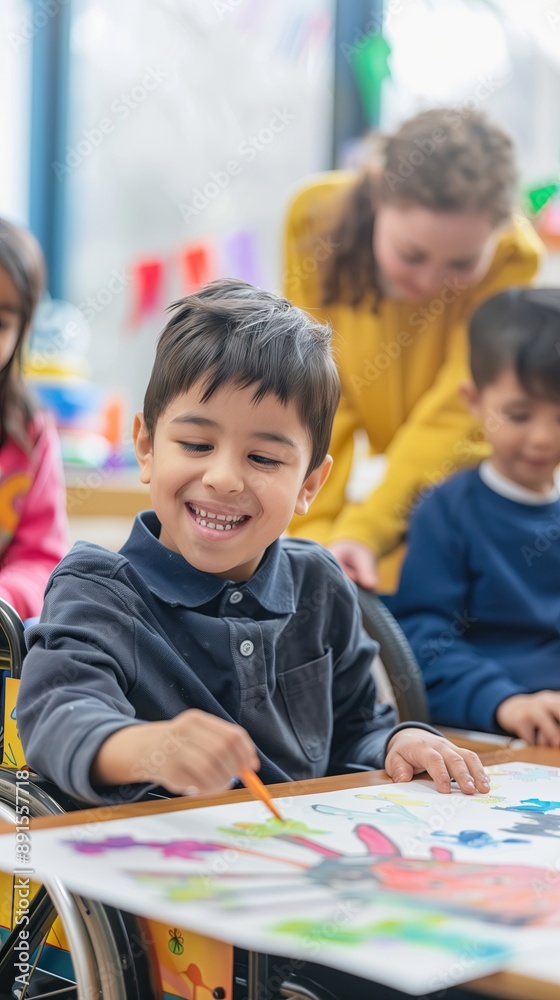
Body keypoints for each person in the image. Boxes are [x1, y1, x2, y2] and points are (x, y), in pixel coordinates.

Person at [17, 279, 489, 805]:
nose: (223, 478)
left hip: (301, 867)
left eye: (264, 458)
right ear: (146, 447)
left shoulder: (320, 584)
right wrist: (149, 747)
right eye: (196, 444)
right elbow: (55, 719)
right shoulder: (98, 590)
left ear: (310, 484)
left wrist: (403, 741)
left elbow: (357, 730)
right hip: (147, 874)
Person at [284, 107, 542, 591]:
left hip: (455, 488)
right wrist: (313, 535)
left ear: (501, 231)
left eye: (462, 263)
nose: (429, 283)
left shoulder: (514, 258)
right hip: (355, 491)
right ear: (380, 190)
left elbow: (456, 411)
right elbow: (314, 390)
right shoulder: (313, 219)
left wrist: (363, 532)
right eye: (411, 254)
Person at [392, 288, 560, 744]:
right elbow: (423, 641)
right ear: (473, 401)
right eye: (519, 415)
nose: (544, 439)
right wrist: (503, 701)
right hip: (486, 733)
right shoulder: (447, 511)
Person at [0, 218, 68, 619]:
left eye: (0, 322)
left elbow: (43, 561)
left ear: (21, 331)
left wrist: (4, 594)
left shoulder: (31, 432)